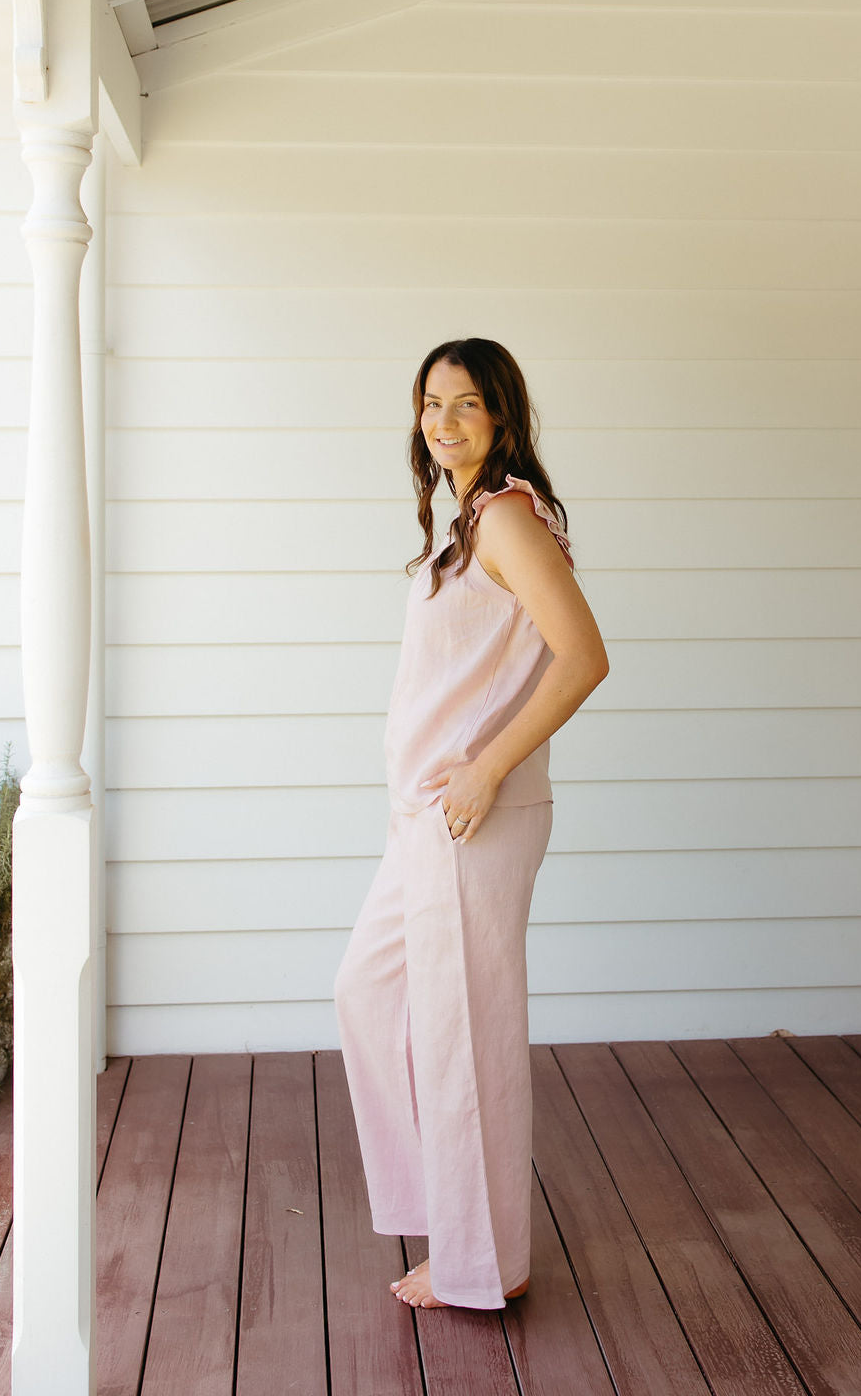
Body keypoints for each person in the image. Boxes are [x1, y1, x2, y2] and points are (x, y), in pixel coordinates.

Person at [333, 338, 608, 1311]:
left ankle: (480, 1261)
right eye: (429, 404)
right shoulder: (468, 522)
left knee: (462, 1039)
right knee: (370, 994)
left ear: (501, 415)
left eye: (465, 404)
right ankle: (453, 1226)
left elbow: (583, 657)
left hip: (471, 818)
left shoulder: (506, 517)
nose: (442, 422)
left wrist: (488, 770)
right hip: (433, 820)